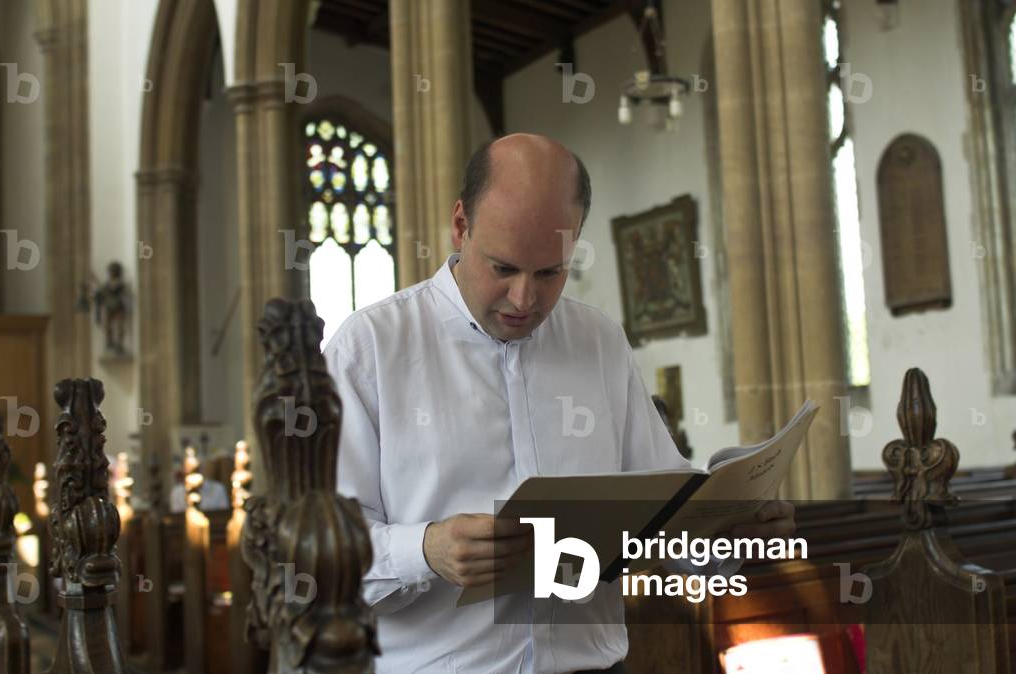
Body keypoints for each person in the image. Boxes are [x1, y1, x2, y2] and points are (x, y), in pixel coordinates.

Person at [323, 133, 795, 673]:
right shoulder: (370, 348)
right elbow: (324, 553)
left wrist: (730, 532)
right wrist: (425, 550)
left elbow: (663, 526)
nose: (525, 299)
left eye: (549, 272)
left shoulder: (598, 341)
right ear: (461, 225)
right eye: (503, 268)